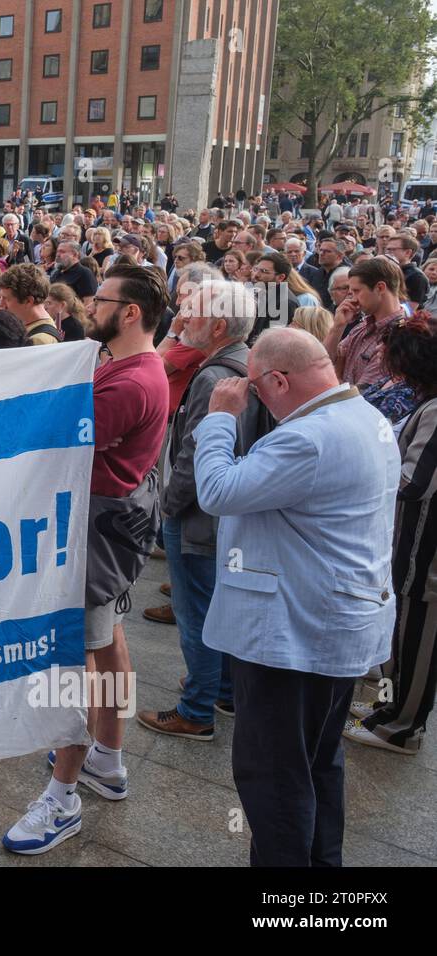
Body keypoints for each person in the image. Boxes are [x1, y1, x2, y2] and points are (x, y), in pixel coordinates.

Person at [193, 327, 399, 866]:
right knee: (317, 765)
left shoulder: (306, 437)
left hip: (293, 633)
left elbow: (217, 492)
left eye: (258, 390)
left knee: (274, 779)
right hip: (335, 624)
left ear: (279, 380)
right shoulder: (366, 417)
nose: (256, 399)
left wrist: (218, 418)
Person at [4, 263, 170, 856]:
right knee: (108, 646)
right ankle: (108, 759)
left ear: (130, 313)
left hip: (94, 534)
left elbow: (56, 439)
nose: (87, 308)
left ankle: (62, 797)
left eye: (101, 300)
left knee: (73, 667)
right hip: (110, 528)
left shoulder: (129, 382)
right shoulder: (128, 368)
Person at [137, 280, 264, 739]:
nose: (183, 318)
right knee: (214, 609)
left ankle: (196, 709)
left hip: (197, 520)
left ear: (216, 326)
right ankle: (222, 690)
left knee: (197, 618)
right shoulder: (237, 363)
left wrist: (167, 508)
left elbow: (194, 457)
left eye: (191, 312)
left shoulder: (214, 376)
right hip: (218, 518)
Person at [346, 315, 437, 754]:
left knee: (418, 634)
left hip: (425, 548)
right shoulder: (429, 401)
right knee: (403, 628)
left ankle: (404, 725)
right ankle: (390, 708)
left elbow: (413, 481)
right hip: (412, 542)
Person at [327, 257, 406, 390]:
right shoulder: (362, 326)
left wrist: (336, 374)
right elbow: (323, 363)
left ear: (380, 288)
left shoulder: (400, 336)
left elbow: (363, 396)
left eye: (357, 291)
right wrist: (337, 327)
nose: (353, 299)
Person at [0, 263, 59, 345]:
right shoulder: (30, 326)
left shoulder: (39, 341)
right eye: (0, 298)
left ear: (28, 301)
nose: (0, 305)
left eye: (7, 299)